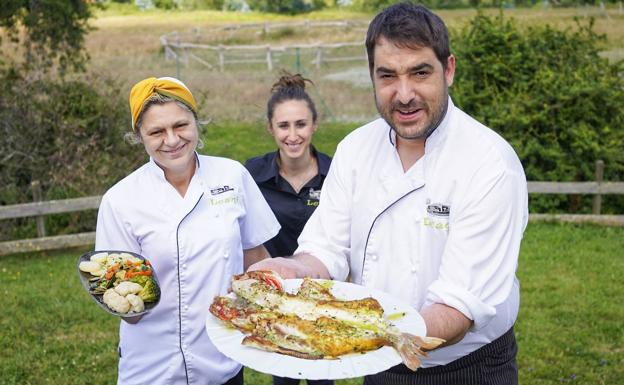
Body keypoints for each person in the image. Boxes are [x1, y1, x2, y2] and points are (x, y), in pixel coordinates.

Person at [248, 3, 529, 385]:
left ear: (449, 70)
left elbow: (458, 309)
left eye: (420, 72)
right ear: (372, 77)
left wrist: (361, 337)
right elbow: (327, 248)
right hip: (380, 363)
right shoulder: (356, 148)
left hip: (466, 367)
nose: (404, 94)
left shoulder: (489, 163)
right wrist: (290, 269)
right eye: (388, 76)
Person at [95, 76, 280, 385]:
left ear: (197, 122)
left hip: (222, 358)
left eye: (180, 125)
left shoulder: (232, 175)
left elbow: (255, 257)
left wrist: (281, 311)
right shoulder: (120, 200)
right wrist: (122, 299)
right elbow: (128, 308)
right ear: (139, 136)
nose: (171, 140)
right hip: (152, 366)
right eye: (156, 131)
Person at [244, 74, 333, 385]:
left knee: (323, 375)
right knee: (284, 378)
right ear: (271, 128)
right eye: (284, 126)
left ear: (314, 125)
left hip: (324, 296)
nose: (293, 135)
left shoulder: (336, 175)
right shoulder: (251, 175)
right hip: (276, 298)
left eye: (301, 124)